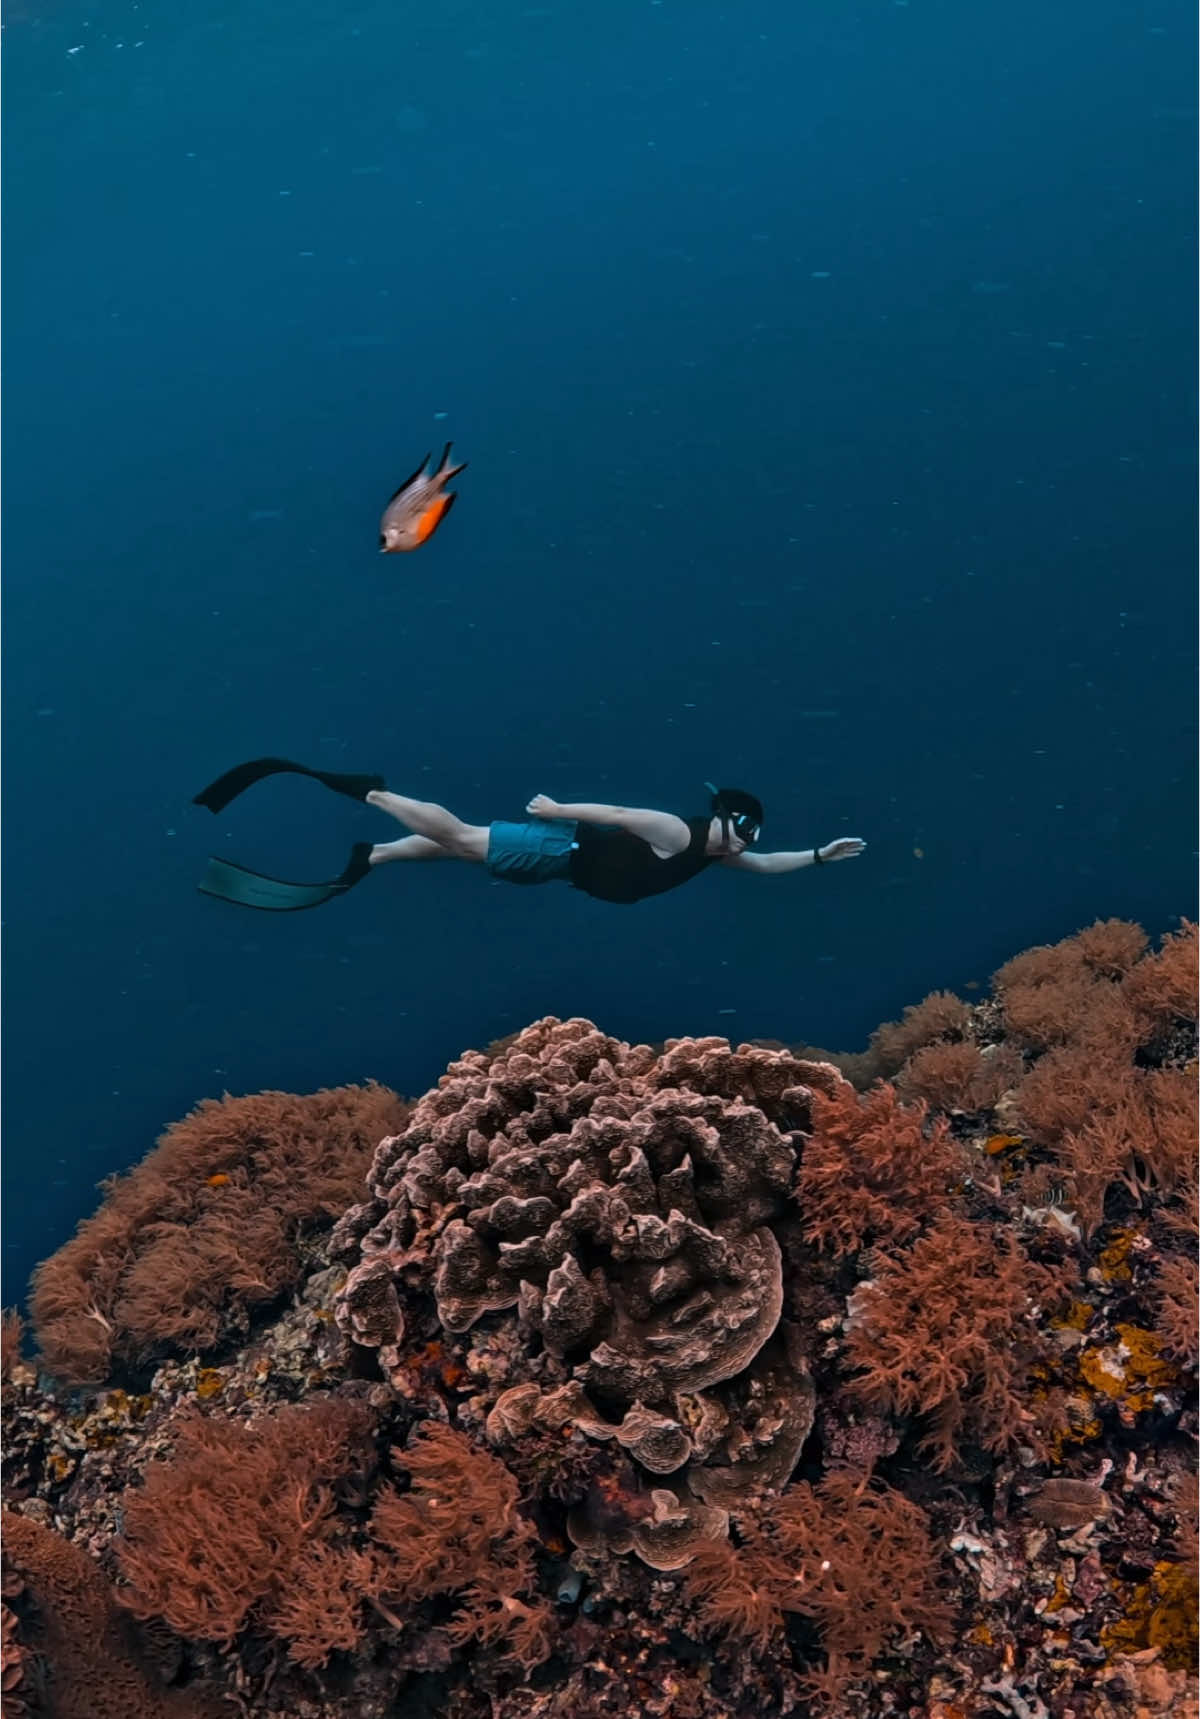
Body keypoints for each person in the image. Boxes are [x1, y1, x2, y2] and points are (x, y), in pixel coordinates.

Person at [191, 759, 865, 912]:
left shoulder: (716, 857)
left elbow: (771, 867)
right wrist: (558, 805)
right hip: (557, 848)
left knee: (462, 847)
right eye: (735, 831)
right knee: (458, 835)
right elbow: (620, 813)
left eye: (746, 838)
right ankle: (372, 791)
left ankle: (380, 853)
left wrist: (820, 856)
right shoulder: (679, 832)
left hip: (559, 869)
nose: (740, 845)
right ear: (717, 819)